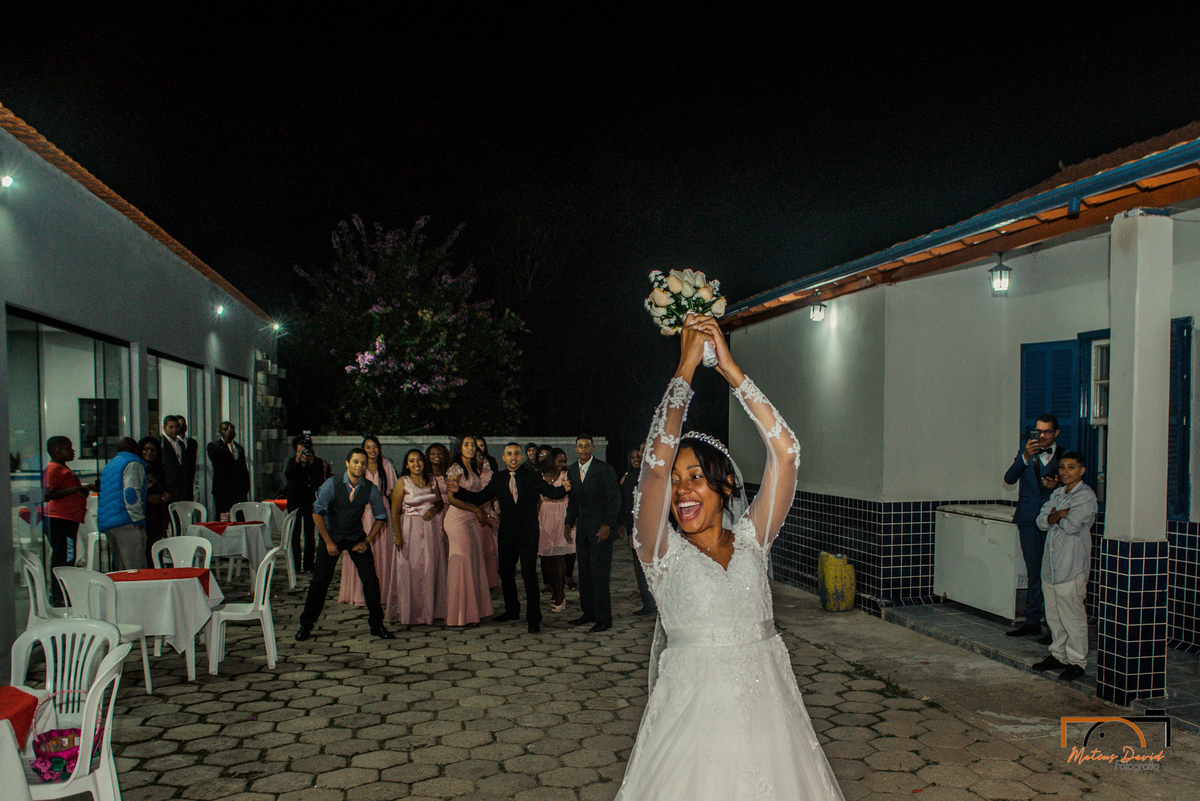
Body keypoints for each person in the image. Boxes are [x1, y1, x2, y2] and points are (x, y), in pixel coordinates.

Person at [615, 314, 843, 801]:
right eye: (677, 481)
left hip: (770, 724)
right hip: (691, 735)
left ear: (724, 486)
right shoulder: (659, 550)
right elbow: (653, 470)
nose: (682, 490)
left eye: (695, 476)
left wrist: (731, 371)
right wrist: (686, 369)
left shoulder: (753, 539)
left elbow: (787, 453)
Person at [450, 442, 570, 633]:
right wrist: (458, 490)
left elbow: (551, 493)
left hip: (528, 532)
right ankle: (512, 610)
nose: (513, 457)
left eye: (516, 453)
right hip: (506, 532)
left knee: (529, 574)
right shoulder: (498, 478)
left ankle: (533, 617)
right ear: (504, 458)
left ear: (521, 457)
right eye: (509, 454)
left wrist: (564, 488)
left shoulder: (532, 476)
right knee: (506, 572)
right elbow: (480, 497)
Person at [295, 448, 394, 641]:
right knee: (319, 582)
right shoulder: (331, 485)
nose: (360, 466)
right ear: (348, 463)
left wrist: (367, 541)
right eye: (356, 462)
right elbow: (317, 513)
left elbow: (381, 517)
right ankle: (305, 626)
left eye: (363, 463)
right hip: (331, 536)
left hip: (356, 536)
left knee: (371, 581)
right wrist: (328, 542)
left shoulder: (370, 488)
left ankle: (377, 625)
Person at [1032, 452, 1097, 682]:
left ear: (1082, 470)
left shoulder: (1086, 497)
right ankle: (1059, 655)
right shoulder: (1058, 493)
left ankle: (1077, 660)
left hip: (1071, 567)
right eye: (1062, 467)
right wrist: (1058, 514)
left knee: (1073, 616)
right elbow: (1041, 521)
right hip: (1051, 567)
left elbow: (1072, 526)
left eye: (1071, 467)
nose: (1065, 472)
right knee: (1054, 615)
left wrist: (1055, 517)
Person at [1003, 413, 1064, 642]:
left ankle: (1054, 625)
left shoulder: (1065, 454)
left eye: (1047, 432)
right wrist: (1025, 457)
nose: (1042, 436)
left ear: (1056, 433)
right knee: (1033, 571)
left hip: (1054, 521)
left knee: (1053, 573)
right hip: (1028, 519)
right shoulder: (1025, 453)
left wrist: (1057, 484)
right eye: (1038, 431)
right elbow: (1009, 479)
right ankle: (1032, 621)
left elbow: (1074, 485)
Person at [565, 434, 621, 632]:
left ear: (592, 449)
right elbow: (573, 500)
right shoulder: (571, 470)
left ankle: (604, 618)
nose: (583, 449)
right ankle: (588, 613)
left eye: (586, 446)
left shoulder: (604, 469)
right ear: (575, 449)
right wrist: (568, 522)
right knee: (585, 575)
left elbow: (615, 500)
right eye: (579, 446)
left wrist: (608, 524)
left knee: (599, 575)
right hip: (583, 532)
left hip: (600, 530)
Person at [339, 435, 398, 612]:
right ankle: (358, 593)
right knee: (359, 546)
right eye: (368, 447)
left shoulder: (386, 465)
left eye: (375, 447)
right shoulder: (358, 465)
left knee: (382, 550)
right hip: (361, 511)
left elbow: (393, 492)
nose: (372, 450)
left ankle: (382, 592)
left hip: (381, 510)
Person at [442, 435, 496, 627]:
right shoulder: (455, 469)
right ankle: (460, 615)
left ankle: (474, 612)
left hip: (471, 520)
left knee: (473, 563)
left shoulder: (472, 469)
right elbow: (452, 499)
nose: (471, 447)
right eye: (466, 444)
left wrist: (483, 514)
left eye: (473, 444)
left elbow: (476, 496)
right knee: (462, 564)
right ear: (459, 448)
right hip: (457, 520)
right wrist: (477, 510)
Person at [389, 449, 447, 625]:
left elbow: (440, 503)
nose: (416, 464)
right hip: (410, 529)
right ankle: (409, 612)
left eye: (419, 460)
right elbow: (394, 512)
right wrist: (398, 537)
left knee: (430, 568)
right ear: (407, 464)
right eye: (412, 461)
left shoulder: (432, 480)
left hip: (430, 531)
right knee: (411, 570)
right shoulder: (403, 482)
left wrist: (433, 509)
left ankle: (431, 611)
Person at [42, 436, 95, 604]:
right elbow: (48, 494)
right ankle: (59, 597)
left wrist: (82, 489)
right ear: (57, 451)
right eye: (68, 448)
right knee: (63, 558)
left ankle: (64, 593)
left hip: (68, 520)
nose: (73, 451)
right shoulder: (53, 469)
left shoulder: (62, 468)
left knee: (67, 557)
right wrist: (73, 490)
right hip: (60, 520)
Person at [97, 437, 149, 571]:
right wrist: (137, 519)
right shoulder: (133, 464)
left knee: (120, 567)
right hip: (126, 521)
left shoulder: (110, 465)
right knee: (135, 567)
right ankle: (138, 592)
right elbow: (131, 493)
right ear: (136, 449)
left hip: (109, 522)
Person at [619, 444, 655, 616]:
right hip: (638, 528)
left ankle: (653, 602)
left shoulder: (653, 474)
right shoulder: (630, 477)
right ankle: (648, 603)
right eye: (633, 457)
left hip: (653, 527)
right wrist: (630, 532)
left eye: (639, 456)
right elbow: (628, 506)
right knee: (641, 566)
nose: (636, 459)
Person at [284, 435, 326, 573]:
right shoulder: (292, 462)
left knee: (309, 533)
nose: (303, 454)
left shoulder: (317, 462)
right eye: (300, 450)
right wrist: (297, 460)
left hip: (309, 501)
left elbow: (319, 479)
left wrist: (312, 462)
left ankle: (309, 564)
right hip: (295, 500)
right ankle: (295, 565)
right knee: (294, 534)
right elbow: (289, 475)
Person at [537, 448, 572, 612]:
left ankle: (560, 594)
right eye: (559, 461)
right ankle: (553, 589)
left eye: (564, 460)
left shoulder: (566, 474)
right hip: (545, 515)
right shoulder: (541, 475)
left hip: (561, 513)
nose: (563, 464)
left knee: (558, 556)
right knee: (547, 557)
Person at [424, 443, 453, 621]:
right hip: (433, 516)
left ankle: (448, 591)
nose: (436, 455)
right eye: (433, 453)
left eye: (440, 453)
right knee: (434, 553)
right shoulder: (425, 476)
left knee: (449, 552)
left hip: (450, 514)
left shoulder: (449, 473)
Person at [138, 436, 171, 565]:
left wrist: (167, 496)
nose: (149, 453)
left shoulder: (159, 470)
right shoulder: (137, 468)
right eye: (146, 449)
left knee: (156, 544)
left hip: (158, 514)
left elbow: (164, 488)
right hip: (143, 513)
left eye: (153, 450)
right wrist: (147, 498)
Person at [207, 421, 251, 517]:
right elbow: (215, 457)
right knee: (223, 516)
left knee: (239, 516)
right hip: (223, 490)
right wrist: (226, 440)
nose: (228, 431)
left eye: (230, 429)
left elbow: (243, 468)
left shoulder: (239, 448)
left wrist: (246, 486)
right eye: (225, 429)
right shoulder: (214, 446)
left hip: (238, 490)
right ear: (220, 431)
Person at [161, 416, 190, 504]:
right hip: (167, 487)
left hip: (180, 488)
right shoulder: (161, 443)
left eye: (177, 427)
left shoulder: (180, 444)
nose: (175, 430)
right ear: (164, 427)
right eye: (171, 427)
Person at [177, 415, 199, 501]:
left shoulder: (192, 442)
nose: (182, 427)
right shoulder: (173, 443)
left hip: (189, 480)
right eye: (179, 424)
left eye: (184, 424)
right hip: (176, 482)